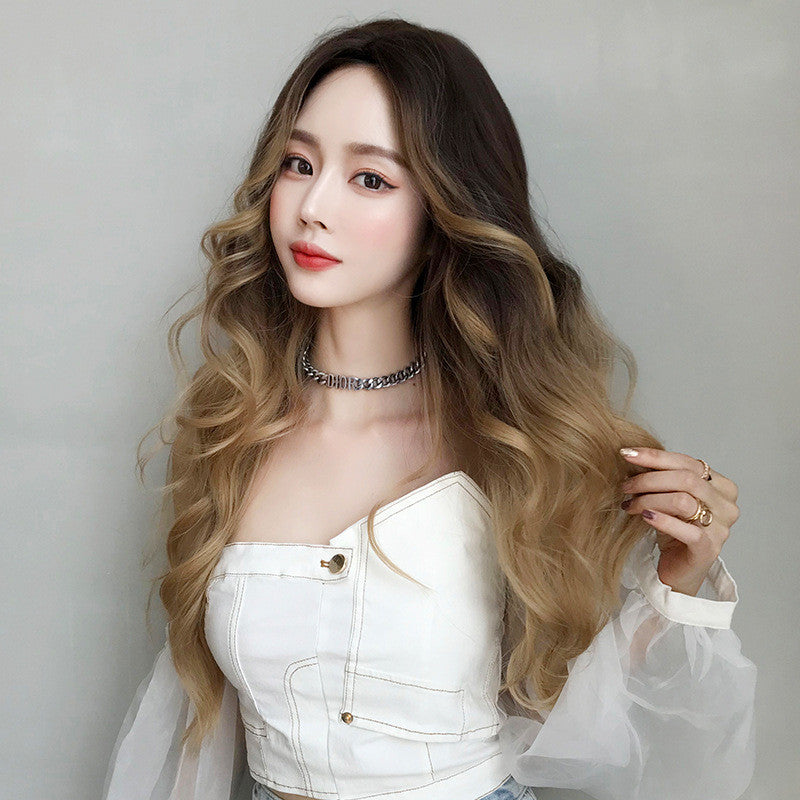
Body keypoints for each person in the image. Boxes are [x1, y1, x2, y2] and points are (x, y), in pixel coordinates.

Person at [101, 17, 757, 800]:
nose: (312, 207)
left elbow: (576, 726)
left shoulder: (512, 439)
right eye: (298, 164)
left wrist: (679, 581)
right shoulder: (231, 434)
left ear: (443, 207)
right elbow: (191, 729)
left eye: (370, 179)